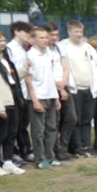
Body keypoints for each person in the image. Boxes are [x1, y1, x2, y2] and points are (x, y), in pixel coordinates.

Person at [0, 30, 26, 176]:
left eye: (3, 40)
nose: (2, 44)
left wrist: (25, 69)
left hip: (13, 98)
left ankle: (8, 161)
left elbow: (11, 78)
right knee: (0, 133)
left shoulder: (5, 58)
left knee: (12, 132)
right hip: (1, 101)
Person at [21, 25, 63, 169]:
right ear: (33, 39)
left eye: (46, 37)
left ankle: (50, 157)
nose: (45, 40)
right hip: (38, 96)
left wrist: (56, 97)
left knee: (51, 129)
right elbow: (28, 80)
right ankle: (40, 159)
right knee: (38, 131)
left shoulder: (49, 54)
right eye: (41, 38)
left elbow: (51, 77)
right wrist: (34, 100)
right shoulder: (30, 56)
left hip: (50, 95)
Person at [57, 20, 97, 158]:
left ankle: (86, 145)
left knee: (87, 118)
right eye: (76, 32)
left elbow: (96, 63)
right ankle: (76, 147)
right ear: (69, 32)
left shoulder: (87, 47)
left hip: (89, 87)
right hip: (74, 88)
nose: (79, 35)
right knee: (76, 119)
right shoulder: (63, 46)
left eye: (81, 32)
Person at [6, 22, 33, 164]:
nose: (29, 35)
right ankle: (14, 152)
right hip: (16, 92)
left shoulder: (23, 49)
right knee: (14, 126)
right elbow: (12, 72)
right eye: (26, 32)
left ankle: (26, 150)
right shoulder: (10, 49)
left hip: (25, 91)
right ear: (17, 32)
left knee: (23, 125)